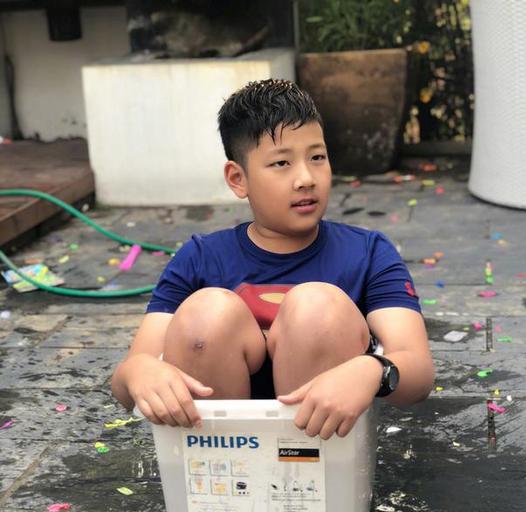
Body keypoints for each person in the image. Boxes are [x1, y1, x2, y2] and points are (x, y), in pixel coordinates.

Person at [111, 79, 434, 440]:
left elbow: (418, 371)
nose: (306, 179)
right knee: (207, 312)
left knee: (317, 308)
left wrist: (373, 370)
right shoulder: (200, 258)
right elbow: (127, 382)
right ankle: (224, 464)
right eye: (281, 163)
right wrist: (138, 372)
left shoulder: (368, 252)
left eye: (317, 157)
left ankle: (305, 467)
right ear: (238, 179)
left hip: (323, 452)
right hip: (220, 457)